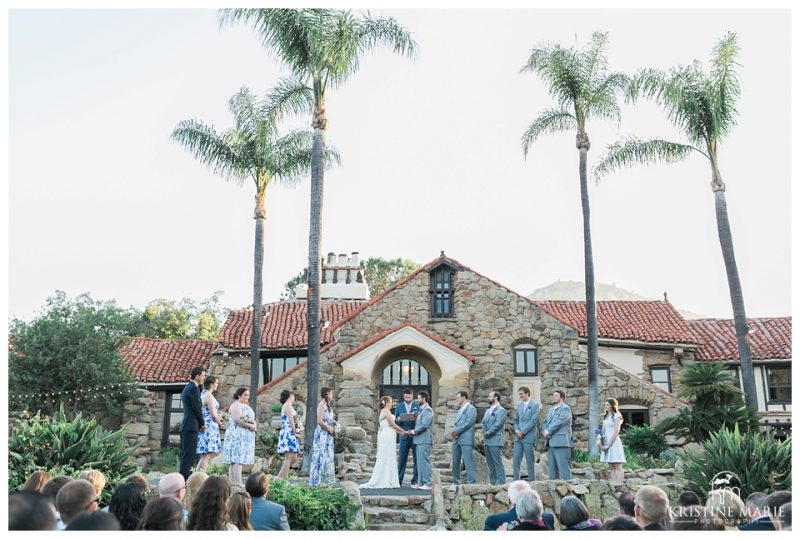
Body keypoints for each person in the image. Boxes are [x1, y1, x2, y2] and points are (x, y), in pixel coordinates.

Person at [359, 395, 406, 489]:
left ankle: (390, 480)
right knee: (386, 456)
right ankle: (385, 480)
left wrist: (401, 432)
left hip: (389, 434)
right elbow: (392, 424)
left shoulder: (385, 411)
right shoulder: (386, 411)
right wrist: (403, 431)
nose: (392, 403)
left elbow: (391, 425)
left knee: (390, 456)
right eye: (391, 401)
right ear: (387, 402)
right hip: (387, 435)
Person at [223, 386, 257, 488]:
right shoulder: (236, 405)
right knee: (237, 458)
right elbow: (237, 420)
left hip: (245, 435)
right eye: (245, 395)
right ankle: (237, 482)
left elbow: (251, 419)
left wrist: (254, 424)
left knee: (239, 458)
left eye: (248, 395)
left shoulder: (246, 406)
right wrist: (250, 426)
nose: (247, 397)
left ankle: (233, 481)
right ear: (239, 395)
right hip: (237, 435)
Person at [179, 365, 206, 480]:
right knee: (189, 456)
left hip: (187, 425)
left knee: (185, 455)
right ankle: (185, 481)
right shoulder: (193, 388)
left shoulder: (188, 387)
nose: (204, 378)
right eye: (203, 375)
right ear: (197, 376)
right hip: (191, 425)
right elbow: (196, 408)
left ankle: (182, 479)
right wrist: (202, 423)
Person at [309, 386, 339, 486]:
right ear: (326, 393)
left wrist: (335, 428)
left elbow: (329, 420)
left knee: (328, 456)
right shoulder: (321, 405)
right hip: (322, 434)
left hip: (328, 435)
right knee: (321, 455)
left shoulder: (328, 405)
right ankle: (318, 480)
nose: (332, 395)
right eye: (331, 393)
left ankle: (326, 480)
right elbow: (319, 421)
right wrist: (330, 429)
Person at [541, 389, 573, 480]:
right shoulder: (551, 410)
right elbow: (545, 422)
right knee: (552, 471)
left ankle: (568, 489)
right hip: (550, 442)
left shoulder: (566, 408)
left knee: (563, 469)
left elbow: (560, 422)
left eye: (556, 396)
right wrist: (544, 431)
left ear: (562, 398)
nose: (553, 397)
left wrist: (548, 431)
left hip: (561, 442)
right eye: (553, 395)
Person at [406, 390, 434, 490]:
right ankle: (421, 482)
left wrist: (413, 432)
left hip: (424, 440)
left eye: (418, 398)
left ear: (424, 398)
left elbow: (424, 425)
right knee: (419, 462)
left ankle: (428, 483)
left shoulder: (428, 410)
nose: (417, 400)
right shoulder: (421, 410)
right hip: (419, 440)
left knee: (424, 462)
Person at [197, 375, 223, 473]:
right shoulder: (208, 395)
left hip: (206, 426)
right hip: (209, 427)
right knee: (206, 455)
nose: (217, 385)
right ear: (211, 384)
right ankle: (201, 478)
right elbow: (213, 414)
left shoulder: (203, 394)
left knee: (204, 455)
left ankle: (197, 476)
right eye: (216, 383)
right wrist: (220, 422)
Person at [512, 386, 539, 481]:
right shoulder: (519, 406)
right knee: (515, 460)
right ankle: (516, 481)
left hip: (528, 437)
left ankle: (532, 481)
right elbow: (515, 420)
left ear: (527, 393)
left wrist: (522, 432)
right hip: (518, 438)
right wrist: (517, 431)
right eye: (519, 394)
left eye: (521, 394)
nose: (520, 396)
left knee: (529, 461)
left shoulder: (535, 405)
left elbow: (533, 421)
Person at [451, 390, 477, 485]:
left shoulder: (471, 409)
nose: (457, 399)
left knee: (467, 461)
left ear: (464, 397)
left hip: (466, 439)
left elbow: (469, 423)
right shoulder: (459, 410)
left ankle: (471, 482)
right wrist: (454, 432)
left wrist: (456, 431)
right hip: (457, 439)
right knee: (455, 461)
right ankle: (456, 481)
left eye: (458, 397)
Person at [396, 388, 421, 486]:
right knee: (402, 459)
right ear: (403, 396)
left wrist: (415, 418)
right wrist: (398, 419)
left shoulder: (417, 405)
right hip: (404, 436)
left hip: (415, 436)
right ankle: (399, 480)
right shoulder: (399, 406)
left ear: (412, 396)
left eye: (409, 397)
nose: (407, 398)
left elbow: (420, 419)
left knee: (416, 459)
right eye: (406, 397)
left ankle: (414, 480)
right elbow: (396, 421)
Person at [482, 390, 507, 486]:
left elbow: (498, 425)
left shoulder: (501, 411)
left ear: (495, 397)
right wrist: (484, 432)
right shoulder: (488, 411)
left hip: (495, 440)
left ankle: (501, 483)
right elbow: (484, 422)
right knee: (490, 464)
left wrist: (488, 433)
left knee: (497, 463)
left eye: (490, 396)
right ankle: (492, 482)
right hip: (487, 441)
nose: (488, 398)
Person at [276, 390, 302, 479]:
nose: (294, 398)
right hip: (288, 432)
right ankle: (283, 479)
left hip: (291, 431)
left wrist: (298, 429)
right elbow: (291, 420)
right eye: (293, 396)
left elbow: (294, 420)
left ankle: (279, 476)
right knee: (289, 457)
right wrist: (295, 432)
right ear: (290, 396)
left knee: (294, 457)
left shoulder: (289, 406)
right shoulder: (287, 405)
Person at [598, 398, 625, 482]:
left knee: (617, 465)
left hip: (614, 442)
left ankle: (620, 482)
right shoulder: (606, 417)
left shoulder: (617, 416)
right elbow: (602, 431)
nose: (606, 406)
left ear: (612, 406)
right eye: (605, 405)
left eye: (608, 405)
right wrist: (599, 441)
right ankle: (614, 483)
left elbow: (616, 431)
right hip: (606, 441)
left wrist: (608, 445)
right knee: (611, 465)